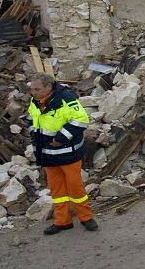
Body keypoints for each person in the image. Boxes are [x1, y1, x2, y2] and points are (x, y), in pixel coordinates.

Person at [27, 73, 98, 235]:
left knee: (75, 187)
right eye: (32, 89)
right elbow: (32, 119)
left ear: (48, 86)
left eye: (37, 89)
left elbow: (81, 120)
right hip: (47, 153)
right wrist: (34, 135)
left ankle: (86, 218)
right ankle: (62, 221)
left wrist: (60, 138)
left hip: (67, 152)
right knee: (57, 190)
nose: (34, 93)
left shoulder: (65, 98)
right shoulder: (35, 101)